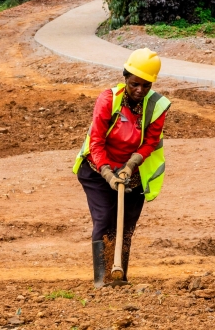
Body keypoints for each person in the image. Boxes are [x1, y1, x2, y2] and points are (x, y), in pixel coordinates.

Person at [72, 48, 171, 288]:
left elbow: (150, 142)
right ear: (125, 78)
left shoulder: (156, 106)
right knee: (105, 219)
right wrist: (108, 173)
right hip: (97, 170)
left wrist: (129, 166)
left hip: (132, 172)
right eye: (135, 84)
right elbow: (96, 141)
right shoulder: (109, 100)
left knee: (126, 226)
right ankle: (102, 278)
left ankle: (119, 276)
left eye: (146, 86)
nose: (140, 90)